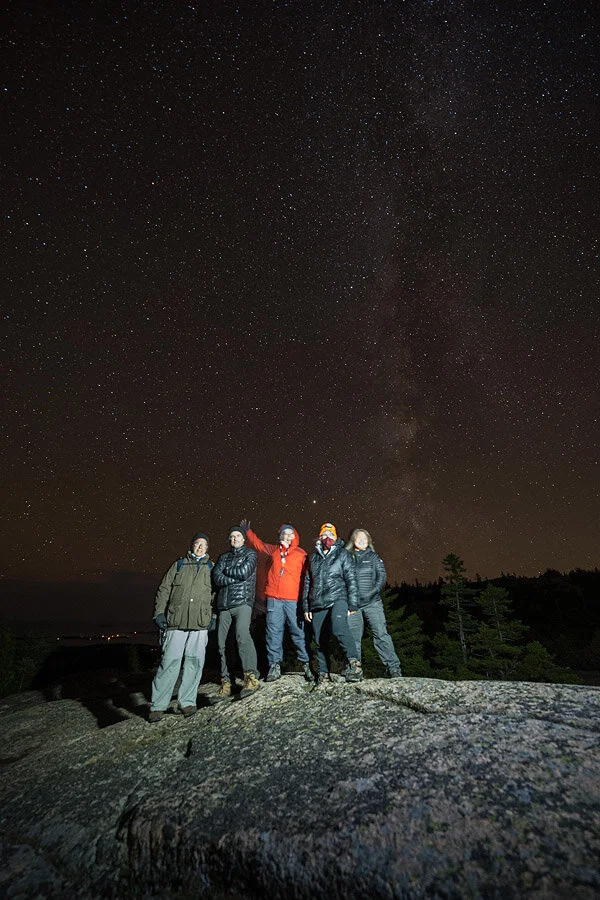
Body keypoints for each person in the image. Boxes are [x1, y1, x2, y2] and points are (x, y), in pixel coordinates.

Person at [149, 532, 215, 722]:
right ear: (192, 545)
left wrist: (214, 617)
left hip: (199, 623)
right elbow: (164, 589)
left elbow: (217, 595)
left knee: (195, 662)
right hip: (175, 622)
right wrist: (159, 613)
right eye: (197, 543)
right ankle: (158, 705)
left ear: (207, 548)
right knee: (170, 661)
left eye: (203, 545)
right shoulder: (178, 564)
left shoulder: (211, 567)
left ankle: (187, 702)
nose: (200, 547)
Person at [242, 519, 312, 682]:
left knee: (298, 631)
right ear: (280, 536)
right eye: (285, 534)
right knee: (273, 632)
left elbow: (310, 576)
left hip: (293, 600)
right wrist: (248, 533)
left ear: (295, 537)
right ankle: (274, 665)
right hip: (274, 599)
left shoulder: (301, 554)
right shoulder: (274, 551)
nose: (288, 536)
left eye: (291, 534)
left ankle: (306, 664)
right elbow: (259, 545)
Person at [303, 523, 363, 686]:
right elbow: (308, 582)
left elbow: (351, 579)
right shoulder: (313, 557)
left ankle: (354, 664)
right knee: (320, 639)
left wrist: (353, 604)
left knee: (339, 627)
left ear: (335, 537)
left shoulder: (342, 554)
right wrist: (306, 606)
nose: (327, 537)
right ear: (319, 537)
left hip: (338, 598)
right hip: (318, 603)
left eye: (331, 534)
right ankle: (323, 673)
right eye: (324, 534)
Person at [211, 525, 260, 701]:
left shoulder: (251, 554)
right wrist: (232, 577)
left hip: (242, 602)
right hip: (224, 604)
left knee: (242, 636)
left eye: (237, 536)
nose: (234, 539)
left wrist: (226, 573)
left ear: (243, 538)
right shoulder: (223, 557)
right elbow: (216, 577)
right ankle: (226, 682)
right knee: (222, 644)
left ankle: (251, 677)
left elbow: (244, 572)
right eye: (231, 536)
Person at [345, 528, 402, 678]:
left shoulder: (374, 557)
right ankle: (355, 669)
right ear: (353, 541)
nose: (362, 540)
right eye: (359, 538)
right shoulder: (347, 557)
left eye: (365, 538)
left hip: (372, 603)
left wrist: (372, 593)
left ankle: (393, 668)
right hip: (353, 606)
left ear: (369, 541)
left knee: (381, 635)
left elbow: (381, 577)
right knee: (353, 638)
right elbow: (341, 579)